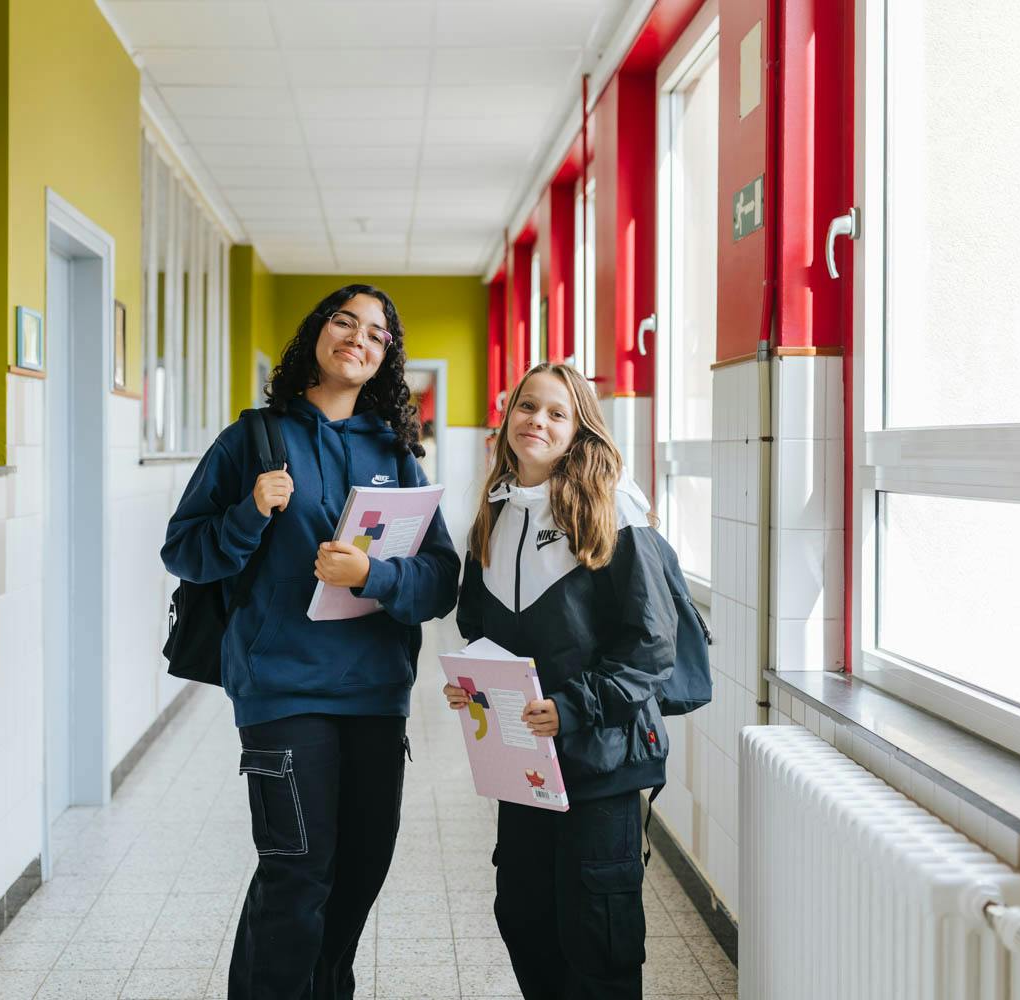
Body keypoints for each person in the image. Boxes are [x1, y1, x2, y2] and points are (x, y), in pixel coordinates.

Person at [162, 284, 460, 1000]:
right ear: (317, 334)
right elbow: (184, 552)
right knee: (297, 873)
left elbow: (441, 578)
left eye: (376, 335)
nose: (357, 338)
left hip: (376, 696)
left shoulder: (396, 452)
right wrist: (248, 514)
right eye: (343, 322)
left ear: (386, 358)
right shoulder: (251, 441)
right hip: (283, 691)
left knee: (357, 873)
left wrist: (376, 576)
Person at [444, 362, 679, 1000]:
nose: (537, 422)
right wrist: (477, 686)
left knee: (597, 935)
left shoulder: (613, 511)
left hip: (601, 760)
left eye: (556, 412)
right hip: (525, 764)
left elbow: (652, 645)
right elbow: (476, 626)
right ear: (507, 416)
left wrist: (571, 708)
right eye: (527, 407)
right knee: (523, 916)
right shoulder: (492, 519)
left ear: (579, 430)